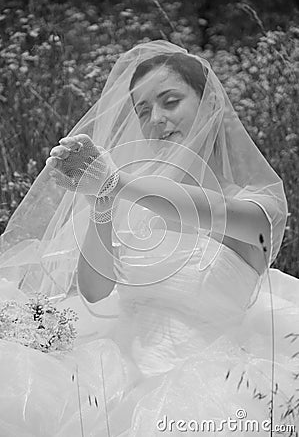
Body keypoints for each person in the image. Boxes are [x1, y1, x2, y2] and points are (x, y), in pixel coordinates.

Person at [0, 40, 298, 436]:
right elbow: (94, 289)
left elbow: (206, 211)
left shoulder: (258, 205)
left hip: (206, 385)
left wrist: (116, 181)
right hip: (113, 373)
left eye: (170, 101)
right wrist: (102, 201)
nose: (155, 119)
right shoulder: (136, 200)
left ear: (209, 104)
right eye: (143, 110)